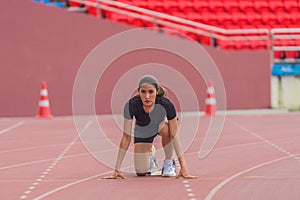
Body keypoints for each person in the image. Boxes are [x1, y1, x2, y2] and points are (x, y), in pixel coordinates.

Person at [103, 75, 197, 179]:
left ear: (157, 91)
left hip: (160, 126)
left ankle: (168, 163)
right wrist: (117, 168)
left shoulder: (166, 104)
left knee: (167, 128)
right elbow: (126, 137)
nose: (147, 96)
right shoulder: (131, 105)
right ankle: (150, 153)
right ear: (139, 91)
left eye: (151, 92)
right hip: (142, 130)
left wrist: (183, 167)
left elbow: (174, 135)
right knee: (141, 172)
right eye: (143, 92)